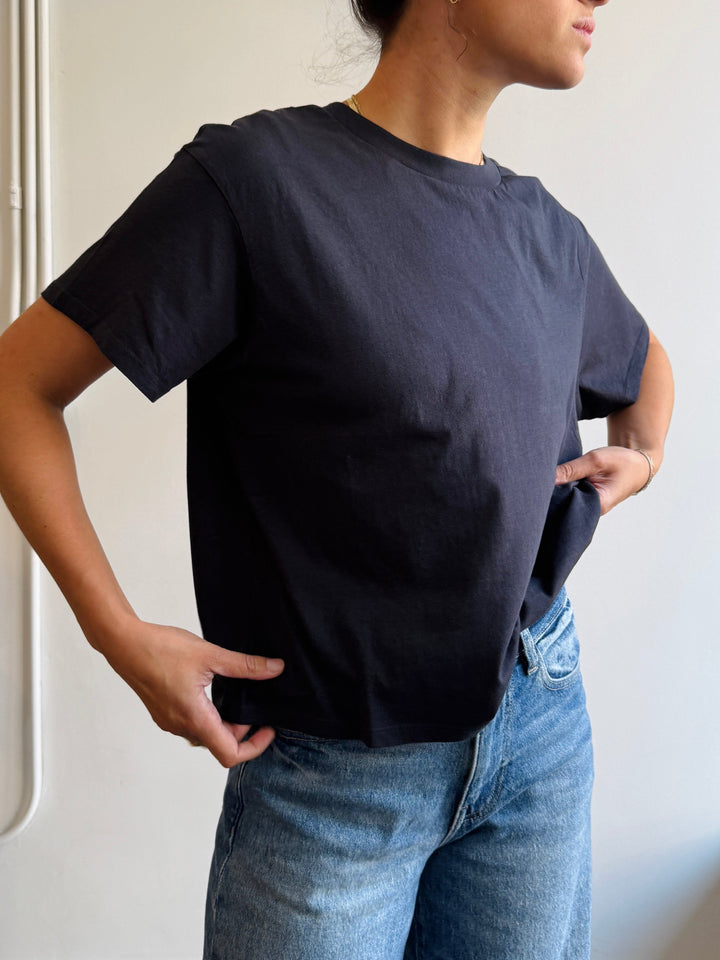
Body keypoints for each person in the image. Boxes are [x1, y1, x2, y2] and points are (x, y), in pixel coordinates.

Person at [0, 0, 674, 957]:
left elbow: (648, 369)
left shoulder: (544, 232)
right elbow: (16, 386)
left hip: (539, 730)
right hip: (329, 775)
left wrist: (639, 462)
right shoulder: (255, 185)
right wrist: (119, 635)